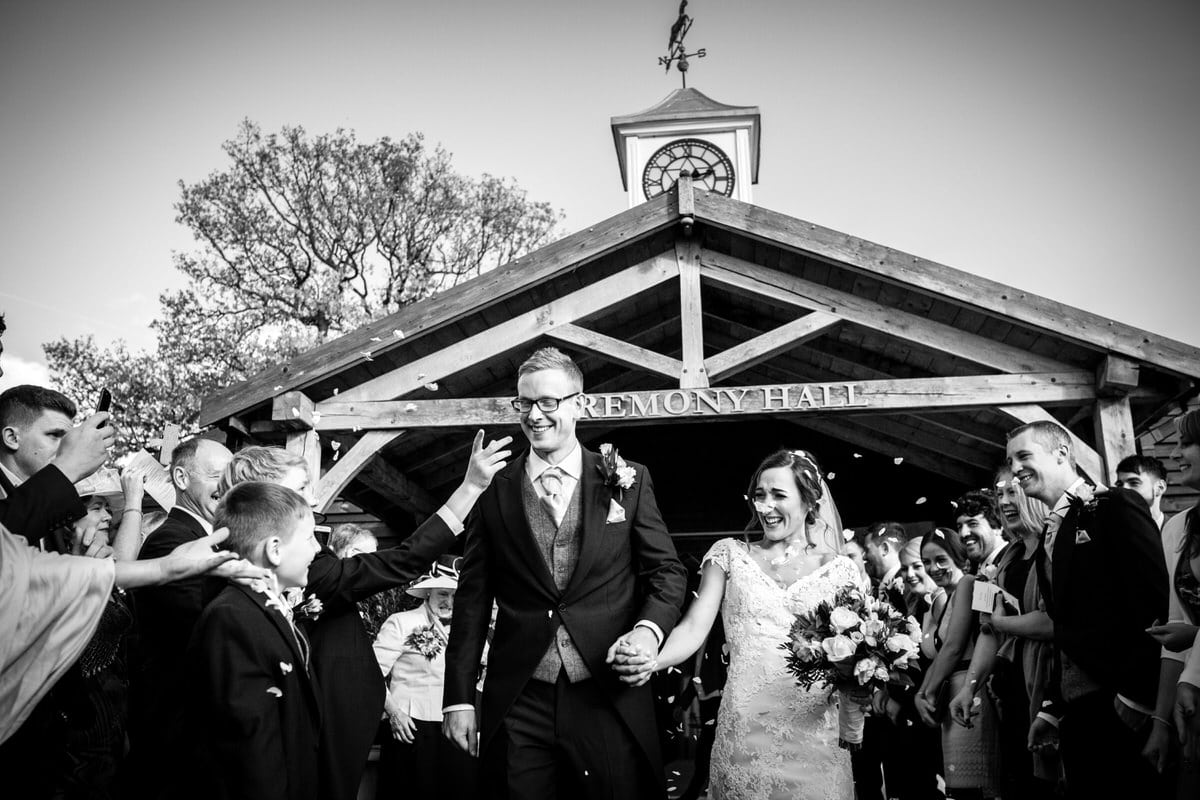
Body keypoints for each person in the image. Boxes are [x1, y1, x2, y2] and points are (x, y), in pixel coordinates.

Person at [442, 347, 687, 800]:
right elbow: (472, 598)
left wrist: (649, 633)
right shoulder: (492, 489)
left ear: (580, 404)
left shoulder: (629, 478)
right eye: (525, 403)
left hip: (606, 690)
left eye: (548, 402)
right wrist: (458, 698)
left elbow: (667, 572)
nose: (535, 415)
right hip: (520, 695)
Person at [221, 436, 510, 800]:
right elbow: (402, 560)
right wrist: (469, 488)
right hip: (316, 736)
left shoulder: (312, 564)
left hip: (340, 732)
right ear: (265, 496)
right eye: (300, 488)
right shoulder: (267, 589)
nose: (312, 499)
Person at [614, 448, 857, 799]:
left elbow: (854, 652)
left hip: (816, 734)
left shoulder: (841, 570)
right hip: (744, 732)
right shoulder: (729, 555)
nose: (764, 506)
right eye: (759, 495)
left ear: (810, 500)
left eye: (778, 495)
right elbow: (694, 627)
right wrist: (651, 660)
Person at [1008, 420, 1168, 799]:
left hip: (1121, 705)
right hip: (1076, 711)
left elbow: (1154, 601)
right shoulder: (1054, 527)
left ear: (1062, 454)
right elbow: (1064, 625)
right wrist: (1051, 708)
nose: (1015, 469)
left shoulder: (1114, 506)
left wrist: (1137, 700)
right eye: (1011, 460)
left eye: (1024, 456)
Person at [0, 521, 238, 745]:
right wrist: (163, 568)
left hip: (114, 719)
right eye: (96, 507)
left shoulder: (84, 566)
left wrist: (164, 568)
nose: (106, 517)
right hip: (75, 728)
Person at [169, 482, 322, 800]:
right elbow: (250, 748)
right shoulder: (233, 618)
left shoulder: (262, 609)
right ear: (275, 549)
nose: (318, 549)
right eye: (309, 538)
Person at [126, 437, 234, 797]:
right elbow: (207, 623)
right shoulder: (169, 540)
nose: (227, 486)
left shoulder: (211, 538)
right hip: (176, 725)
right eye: (218, 475)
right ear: (182, 478)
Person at [948, 467, 1056, 800]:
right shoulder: (1007, 558)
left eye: (1013, 492)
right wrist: (969, 688)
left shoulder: (1053, 550)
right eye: (1000, 494)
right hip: (1009, 695)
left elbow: (1053, 622)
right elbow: (986, 631)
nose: (1005, 501)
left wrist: (1003, 624)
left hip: (1047, 687)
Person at [374, 556, 476, 799]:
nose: (449, 601)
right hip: (412, 727)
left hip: (455, 727)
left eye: (454, 594)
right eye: (443, 593)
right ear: (428, 592)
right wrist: (394, 713)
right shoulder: (401, 622)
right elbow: (372, 673)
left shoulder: (467, 629)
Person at [914, 526, 999, 799]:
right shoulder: (947, 595)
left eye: (940, 559)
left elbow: (952, 647)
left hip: (969, 689)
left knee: (974, 785)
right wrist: (921, 693)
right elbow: (942, 654)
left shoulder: (969, 582)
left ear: (958, 556)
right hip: (953, 689)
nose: (933, 568)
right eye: (926, 562)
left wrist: (925, 692)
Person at [1145, 410, 1200, 796]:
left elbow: (1188, 632)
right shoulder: (1178, 527)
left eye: (1186, 443)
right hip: (1191, 701)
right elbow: (1175, 624)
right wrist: (1159, 722)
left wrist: (1195, 636)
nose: (1176, 453)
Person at [0, 385, 114, 543]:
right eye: (55, 435)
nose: (66, 446)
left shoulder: (52, 508)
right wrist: (70, 467)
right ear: (12, 438)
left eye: (67, 438)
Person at [955, 491, 1006, 576]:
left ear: (998, 527)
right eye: (960, 527)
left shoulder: (1013, 562)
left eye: (973, 524)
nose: (963, 533)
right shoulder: (975, 570)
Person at [1115, 454, 1168, 529]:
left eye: (1134, 483)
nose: (1123, 489)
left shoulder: (1180, 530)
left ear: (1160, 488)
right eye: (1120, 484)